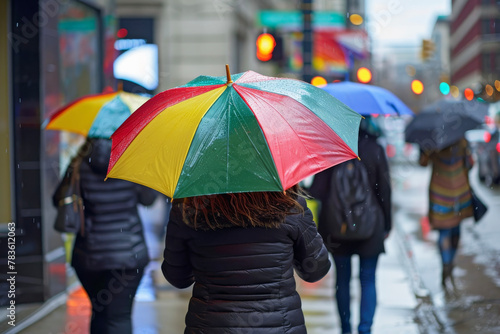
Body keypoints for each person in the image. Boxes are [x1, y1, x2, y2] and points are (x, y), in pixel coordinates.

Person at [161, 184, 331, 333]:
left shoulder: (189, 208)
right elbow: (315, 269)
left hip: (210, 325)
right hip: (280, 325)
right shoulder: (289, 206)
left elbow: (177, 277)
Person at [53, 138, 157, 334]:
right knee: (120, 315)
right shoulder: (131, 162)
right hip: (129, 255)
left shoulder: (78, 164)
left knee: (99, 312)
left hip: (90, 256)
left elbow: (58, 198)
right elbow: (148, 199)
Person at [308, 117, 392, 334]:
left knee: (342, 281)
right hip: (371, 228)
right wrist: (387, 224)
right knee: (368, 279)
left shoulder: (331, 149)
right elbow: (384, 191)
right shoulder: (375, 148)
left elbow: (316, 192)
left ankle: (346, 329)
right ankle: (365, 329)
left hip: (337, 228)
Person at [418, 137, 473, 289]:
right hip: (459, 192)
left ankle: (446, 262)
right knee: (456, 229)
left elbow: (422, 163)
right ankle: (450, 263)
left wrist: (426, 150)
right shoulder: (461, 140)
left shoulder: (433, 141)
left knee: (444, 232)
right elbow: (470, 164)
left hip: (439, 193)